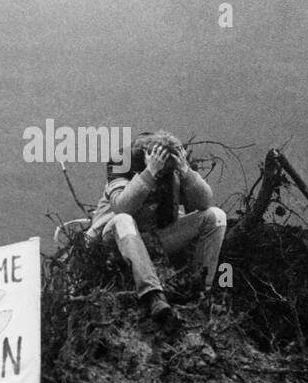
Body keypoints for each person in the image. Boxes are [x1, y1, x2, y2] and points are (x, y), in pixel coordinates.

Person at [87, 130, 227, 323]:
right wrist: (150, 173)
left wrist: (185, 171)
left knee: (216, 216)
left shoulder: (176, 169)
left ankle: (202, 290)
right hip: (116, 239)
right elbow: (121, 206)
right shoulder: (122, 162)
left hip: (154, 239)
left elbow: (205, 203)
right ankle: (153, 294)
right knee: (123, 219)